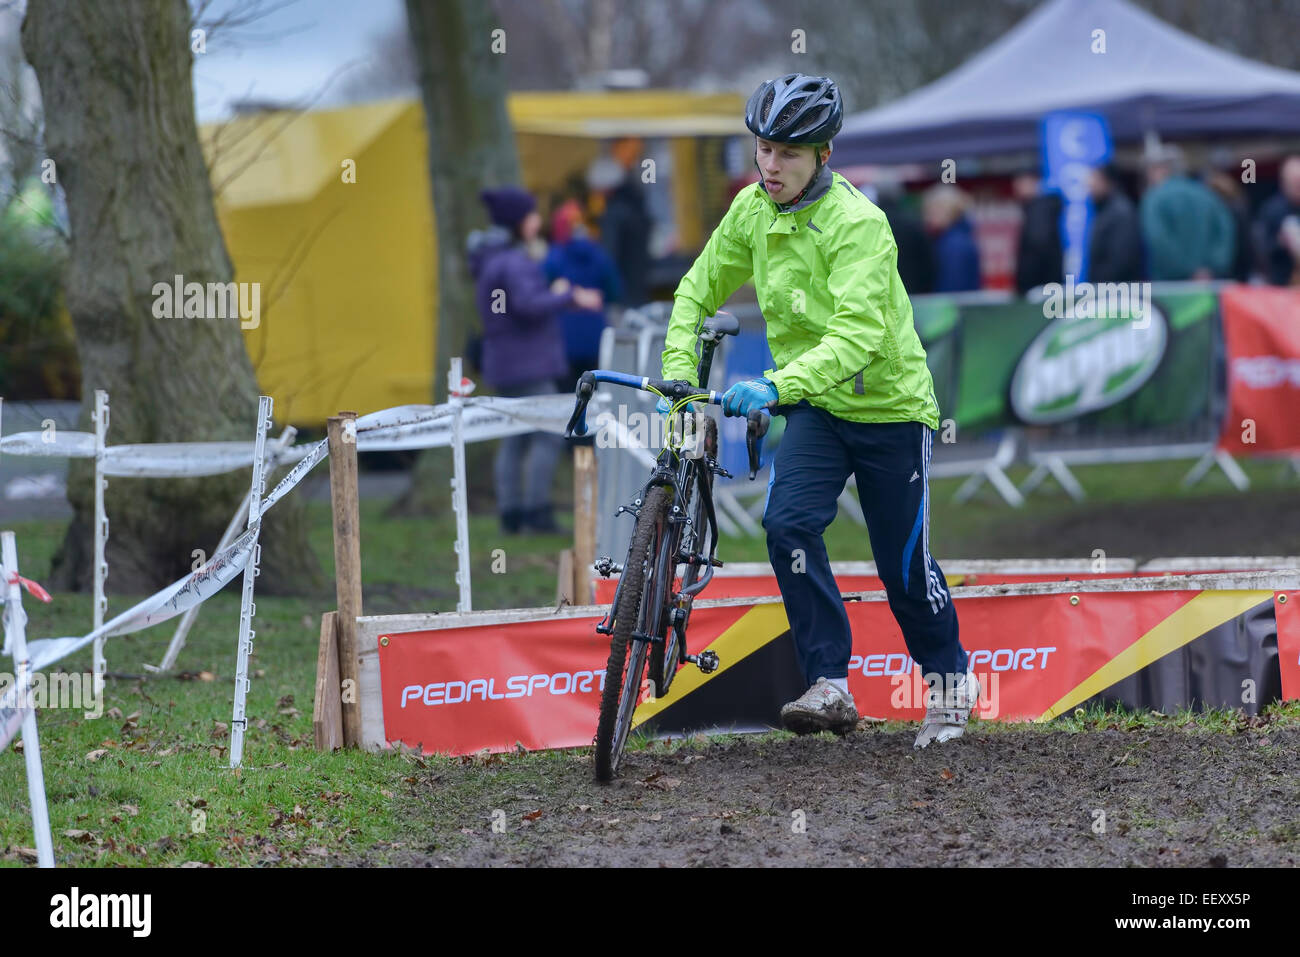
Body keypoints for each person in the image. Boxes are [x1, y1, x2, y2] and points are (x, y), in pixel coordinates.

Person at [660, 73, 977, 750]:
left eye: (788, 154)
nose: (770, 166)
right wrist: (679, 375)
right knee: (786, 524)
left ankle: (950, 684)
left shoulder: (860, 226)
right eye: (762, 150)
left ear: (823, 155)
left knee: (902, 568)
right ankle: (828, 680)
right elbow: (693, 293)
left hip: (890, 410)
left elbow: (857, 338)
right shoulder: (751, 211)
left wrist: (775, 386)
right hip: (816, 410)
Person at [469, 186, 603, 534]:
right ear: (517, 222)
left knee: (514, 437)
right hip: (527, 362)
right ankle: (537, 512)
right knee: (547, 434)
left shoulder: (492, 259)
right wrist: (565, 294)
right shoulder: (514, 262)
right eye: (531, 214)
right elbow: (529, 306)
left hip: (504, 362)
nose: (537, 220)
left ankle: (511, 515)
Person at [544, 198, 622, 394]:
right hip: (596, 337)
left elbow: (542, 295)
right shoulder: (599, 255)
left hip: (564, 340)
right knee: (594, 396)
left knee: (568, 399)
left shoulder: (553, 258)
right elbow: (615, 292)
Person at [1139, 144, 1235, 281]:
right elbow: (1225, 232)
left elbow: (1157, 238)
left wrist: (1186, 269)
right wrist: (1210, 268)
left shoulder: (1154, 198)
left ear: (1161, 169)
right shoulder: (1207, 195)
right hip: (1209, 281)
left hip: (1171, 284)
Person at [598, 137, 653, 307]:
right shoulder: (639, 209)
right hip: (639, 282)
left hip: (623, 289)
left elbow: (610, 252)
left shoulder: (615, 213)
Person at [1085, 163, 1143, 284]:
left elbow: (1122, 259)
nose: (1090, 185)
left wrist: (1102, 285)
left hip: (1116, 290)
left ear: (1108, 182)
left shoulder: (1120, 212)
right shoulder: (1104, 210)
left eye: (1095, 179)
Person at [1012, 170, 1064, 293]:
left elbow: (1039, 244)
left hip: (1040, 287)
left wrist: (1025, 283)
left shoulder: (1040, 210)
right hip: (1046, 285)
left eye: (1021, 183)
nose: (1017, 188)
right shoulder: (1037, 207)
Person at [922, 184, 982, 292]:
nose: (927, 217)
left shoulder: (954, 245)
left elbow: (951, 288)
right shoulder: (957, 238)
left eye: (932, 211)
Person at [1256, 154, 1300, 286]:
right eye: (1295, 182)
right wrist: (1279, 242)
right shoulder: (1272, 210)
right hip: (1281, 283)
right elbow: (1260, 247)